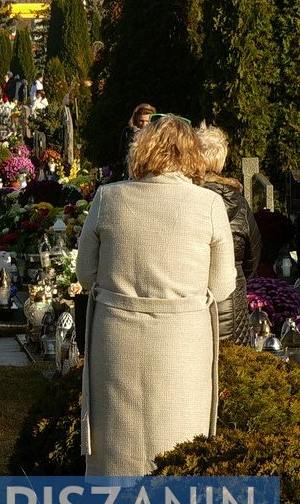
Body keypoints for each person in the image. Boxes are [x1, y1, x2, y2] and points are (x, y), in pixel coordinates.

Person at [76, 115, 235, 476]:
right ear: (193, 155)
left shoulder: (109, 197)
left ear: (142, 150)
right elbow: (223, 284)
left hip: (117, 338)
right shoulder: (208, 205)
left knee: (118, 441)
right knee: (180, 437)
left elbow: (85, 274)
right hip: (183, 342)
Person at [196, 126, 260, 346]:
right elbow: (254, 253)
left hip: (195, 303)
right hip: (233, 303)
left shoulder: (186, 198)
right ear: (221, 160)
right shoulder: (238, 201)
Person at [116, 103, 155, 179]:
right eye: (141, 121)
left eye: (147, 121)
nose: (144, 125)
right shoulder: (129, 133)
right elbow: (122, 154)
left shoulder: (156, 135)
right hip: (131, 174)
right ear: (136, 120)